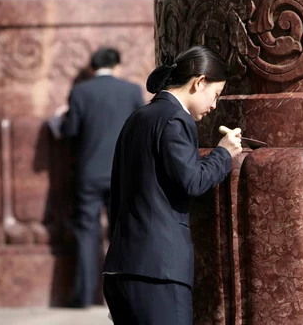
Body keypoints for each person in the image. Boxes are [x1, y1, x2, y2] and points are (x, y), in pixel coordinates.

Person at [102, 45, 243, 324]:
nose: (215, 105)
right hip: (159, 272)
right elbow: (193, 181)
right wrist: (224, 153)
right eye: (215, 94)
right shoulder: (175, 119)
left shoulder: (138, 117)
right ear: (199, 82)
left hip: (121, 269)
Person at [57, 47, 145, 308]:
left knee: (87, 233)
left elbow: (70, 130)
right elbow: (140, 128)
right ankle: (124, 295)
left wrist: (59, 119)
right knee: (122, 233)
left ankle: (85, 296)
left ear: (93, 68)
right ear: (117, 65)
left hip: (89, 173)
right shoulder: (131, 90)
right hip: (122, 172)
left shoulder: (80, 91)